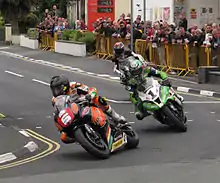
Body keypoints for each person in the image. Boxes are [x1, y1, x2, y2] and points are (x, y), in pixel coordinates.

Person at [50, 75, 127, 144]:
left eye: (58, 89)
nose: (56, 92)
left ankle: (115, 116)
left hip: (85, 104)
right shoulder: (55, 100)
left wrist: (89, 95)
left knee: (98, 99)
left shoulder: (74, 86)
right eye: (54, 90)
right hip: (73, 114)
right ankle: (83, 138)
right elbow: (57, 114)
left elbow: (92, 89)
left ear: (65, 87)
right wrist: (61, 128)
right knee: (64, 138)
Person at [115, 58, 184, 120]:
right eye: (135, 71)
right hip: (143, 92)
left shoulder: (147, 69)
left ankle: (177, 96)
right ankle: (152, 112)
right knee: (138, 115)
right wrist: (137, 101)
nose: (137, 72)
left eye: (138, 70)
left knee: (166, 83)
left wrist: (165, 78)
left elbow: (159, 73)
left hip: (153, 85)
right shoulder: (131, 79)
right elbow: (131, 93)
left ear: (141, 67)